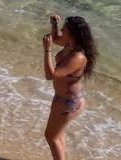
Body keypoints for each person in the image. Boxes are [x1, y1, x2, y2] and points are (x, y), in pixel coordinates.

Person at [43, 15, 95, 160]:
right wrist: (54, 24)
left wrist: (47, 50)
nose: (61, 32)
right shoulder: (70, 45)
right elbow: (56, 38)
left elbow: (50, 75)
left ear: (73, 35)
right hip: (63, 98)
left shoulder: (78, 57)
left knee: (51, 136)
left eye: (64, 30)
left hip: (68, 102)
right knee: (57, 135)